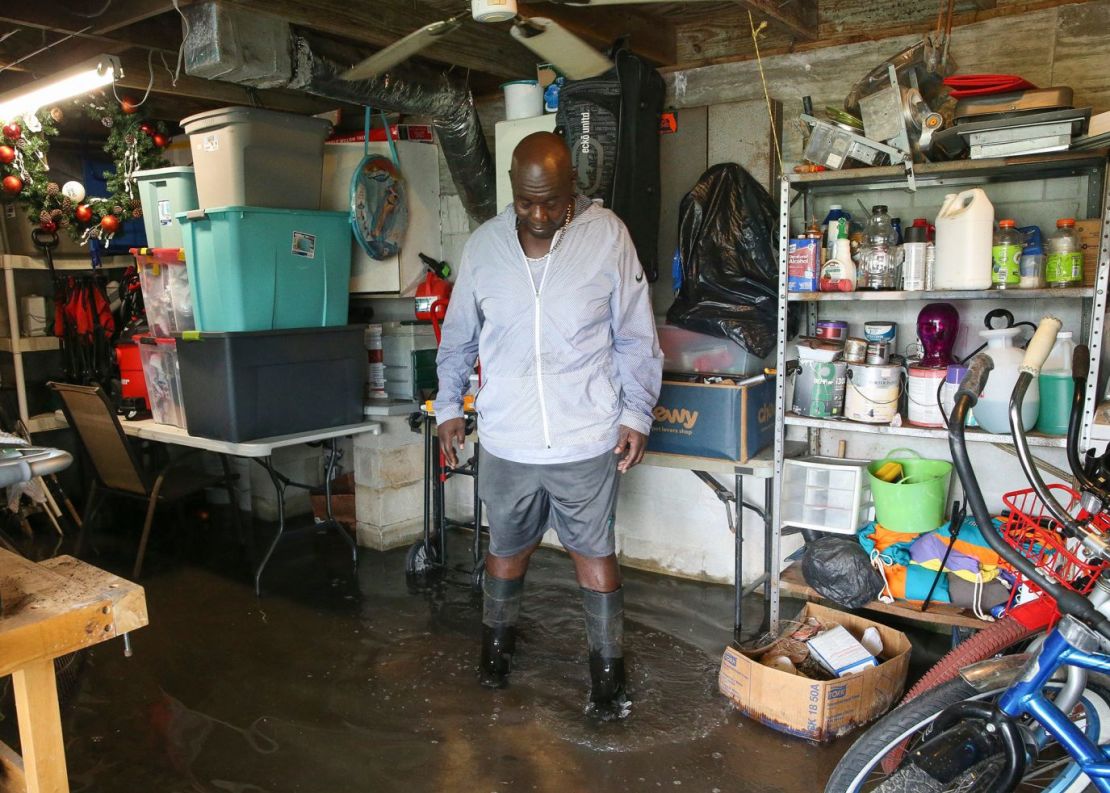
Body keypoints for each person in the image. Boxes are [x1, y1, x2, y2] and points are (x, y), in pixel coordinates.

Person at [433, 132, 662, 719]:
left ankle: (607, 678)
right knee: (506, 550)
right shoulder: (484, 247)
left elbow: (636, 335)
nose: (538, 215)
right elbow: (458, 337)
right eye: (526, 201)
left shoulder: (607, 237)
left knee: (594, 553)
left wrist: (636, 412)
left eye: (552, 202)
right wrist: (450, 407)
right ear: (512, 191)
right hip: (508, 437)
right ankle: (495, 655)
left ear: (572, 191)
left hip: (586, 433)